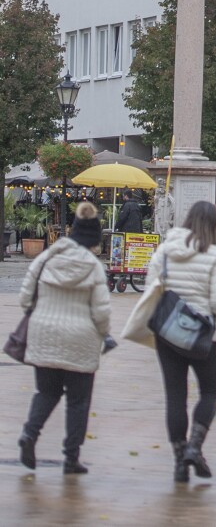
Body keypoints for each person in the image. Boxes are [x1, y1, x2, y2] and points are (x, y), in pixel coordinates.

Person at [123, 200, 216, 483]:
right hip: (203, 335)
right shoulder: (215, 254)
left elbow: (151, 290)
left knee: (175, 396)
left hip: (168, 334)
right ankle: (195, 446)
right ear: (213, 225)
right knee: (209, 393)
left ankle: (180, 460)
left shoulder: (165, 251)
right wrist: (210, 319)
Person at [16, 201, 111, 474]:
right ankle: (71, 457)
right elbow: (102, 311)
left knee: (46, 392)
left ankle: (29, 435)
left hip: (44, 334)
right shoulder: (93, 267)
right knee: (78, 401)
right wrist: (103, 334)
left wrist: (41, 315)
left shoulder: (46, 258)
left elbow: (25, 297)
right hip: (81, 339)